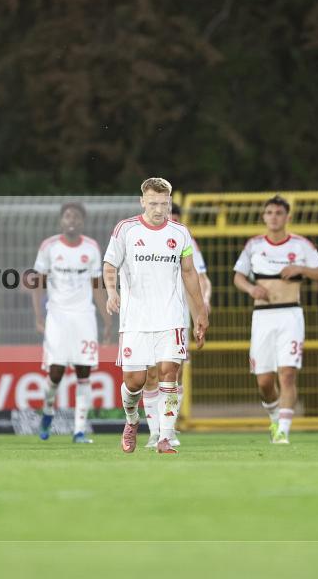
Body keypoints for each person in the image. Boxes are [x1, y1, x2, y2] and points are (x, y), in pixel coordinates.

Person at [103, 177, 209, 455]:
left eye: (164, 203)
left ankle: (165, 436)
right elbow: (110, 264)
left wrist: (200, 312)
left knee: (168, 374)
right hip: (135, 319)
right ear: (142, 202)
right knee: (134, 382)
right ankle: (131, 421)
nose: (159, 209)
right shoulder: (126, 229)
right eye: (153, 203)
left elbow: (189, 273)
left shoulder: (180, 233)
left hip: (170, 318)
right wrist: (112, 292)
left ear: (170, 202)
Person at [233, 195, 318, 444]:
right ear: (264, 217)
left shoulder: (300, 245)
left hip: (290, 315)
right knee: (264, 381)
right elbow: (238, 277)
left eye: (278, 213)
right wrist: (252, 289)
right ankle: (275, 418)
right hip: (263, 317)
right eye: (269, 213)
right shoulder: (254, 245)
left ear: (287, 217)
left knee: (287, 374)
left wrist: (301, 269)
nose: (273, 217)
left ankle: (283, 431)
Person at [31, 202, 111, 443]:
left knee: (83, 372)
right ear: (61, 221)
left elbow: (97, 286)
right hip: (57, 315)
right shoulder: (50, 247)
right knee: (55, 373)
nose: (72, 220)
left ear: (82, 222)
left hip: (84, 317)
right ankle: (47, 410)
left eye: (76, 216)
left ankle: (78, 431)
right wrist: (38, 316)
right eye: (67, 216)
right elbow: (38, 285)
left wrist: (107, 319)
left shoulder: (91, 248)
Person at [144, 203, 211, 449]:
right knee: (150, 373)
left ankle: (167, 431)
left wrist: (202, 309)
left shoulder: (185, 241)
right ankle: (153, 432)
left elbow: (200, 278)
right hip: (147, 316)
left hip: (177, 316)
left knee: (174, 373)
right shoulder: (141, 238)